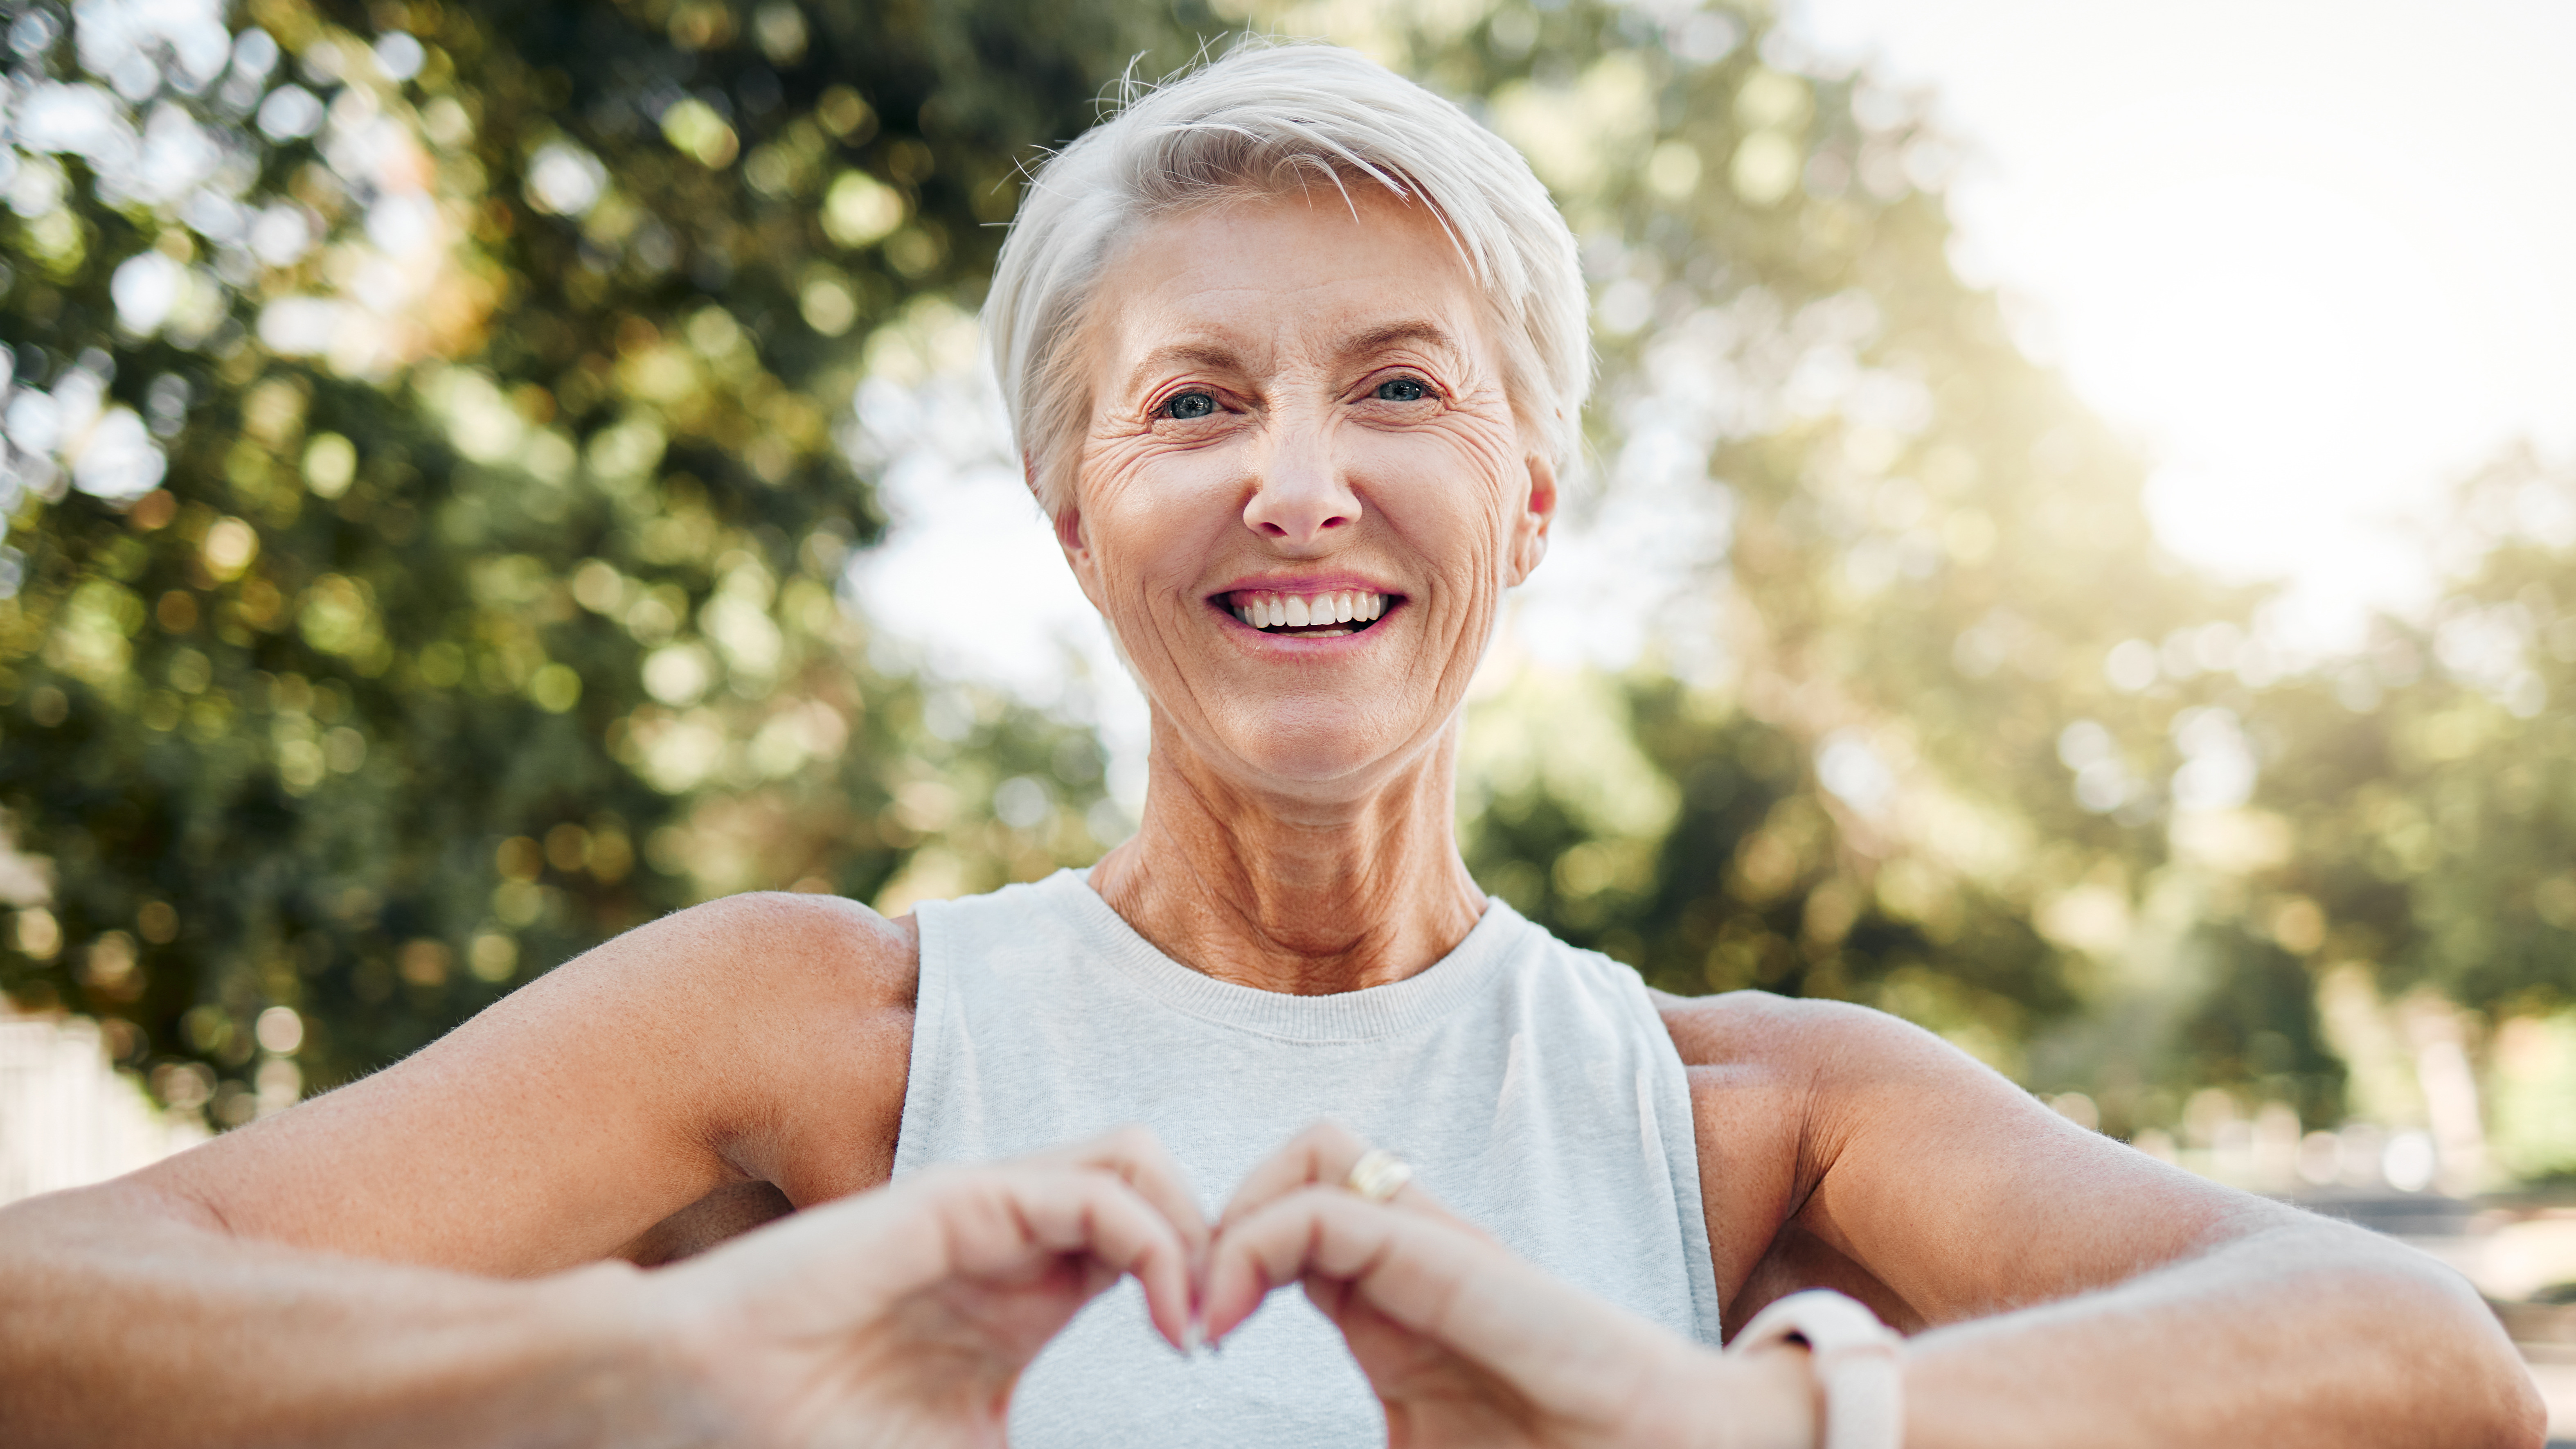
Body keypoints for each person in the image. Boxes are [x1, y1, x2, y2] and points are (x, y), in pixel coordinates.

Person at [0, 39, 2542, 1449]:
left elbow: (2421, 1371)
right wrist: (647, 1368)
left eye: (1398, 389)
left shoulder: (1746, 1106)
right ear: (1075, 506)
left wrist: (1738, 1440)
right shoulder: (815, 1029)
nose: (1297, 474)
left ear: (1527, 495)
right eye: (1192, 396)